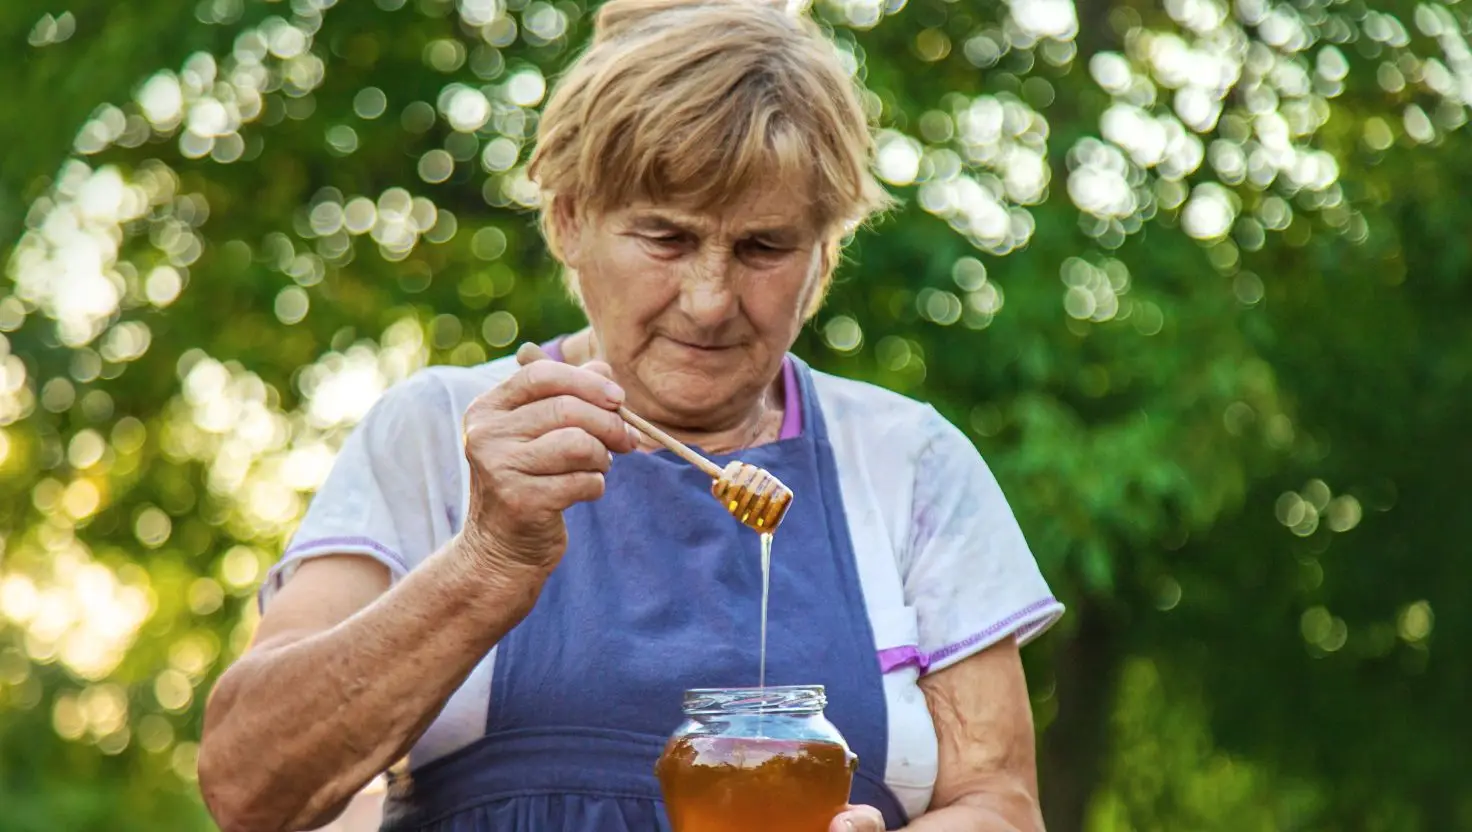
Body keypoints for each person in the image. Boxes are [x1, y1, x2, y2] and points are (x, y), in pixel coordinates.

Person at [197, 0, 1064, 829]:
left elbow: (999, 804)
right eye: (667, 238)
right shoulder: (437, 432)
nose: (710, 300)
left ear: (826, 255)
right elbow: (249, 786)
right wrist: (487, 561)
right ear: (571, 220)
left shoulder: (910, 463)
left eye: (763, 248)